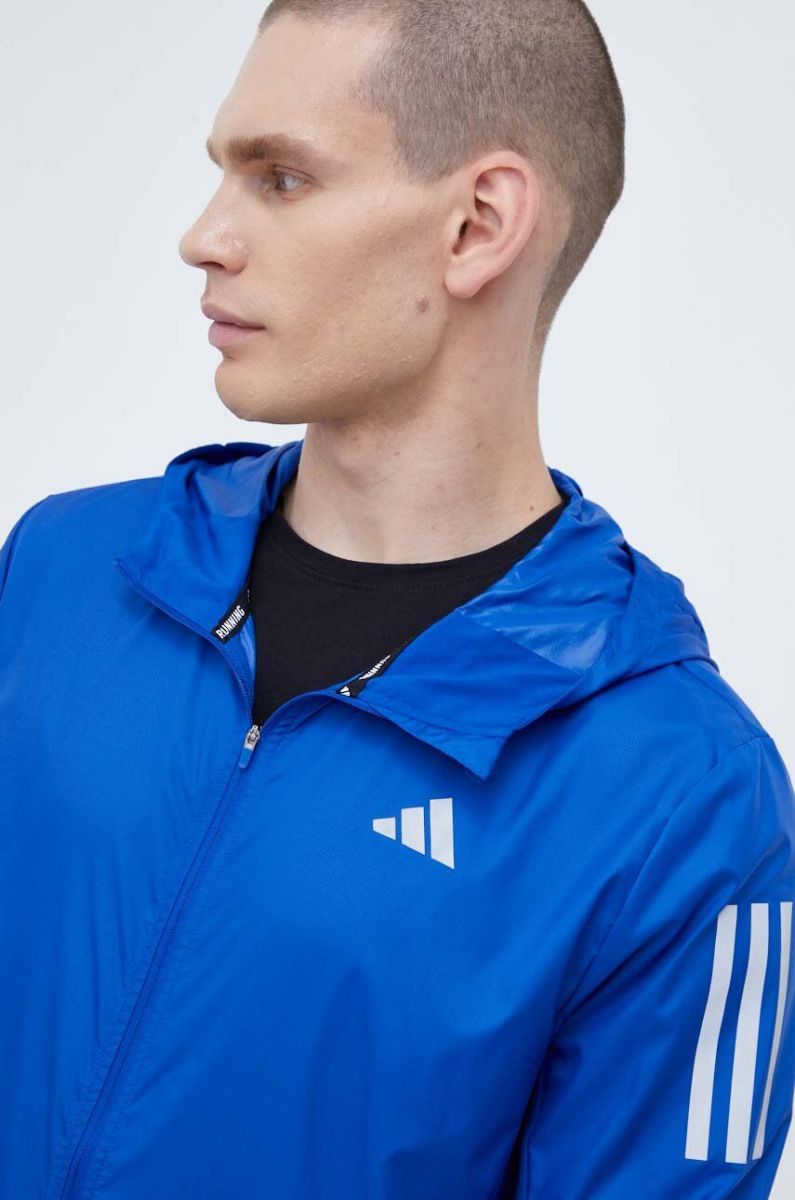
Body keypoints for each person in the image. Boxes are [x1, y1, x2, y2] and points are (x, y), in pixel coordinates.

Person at [1, 2, 793, 1197]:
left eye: (280, 178)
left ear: (478, 226)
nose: (203, 238)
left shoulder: (682, 788)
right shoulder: (62, 570)